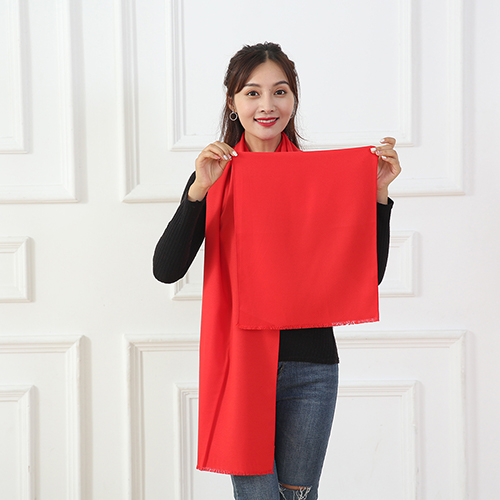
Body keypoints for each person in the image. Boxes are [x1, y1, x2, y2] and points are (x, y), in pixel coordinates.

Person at [153, 42, 401, 500]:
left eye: (279, 91)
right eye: (252, 93)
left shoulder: (320, 177)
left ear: (294, 100)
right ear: (233, 103)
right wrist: (198, 191)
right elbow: (166, 269)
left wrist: (378, 195)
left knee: (299, 497)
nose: (267, 105)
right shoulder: (214, 173)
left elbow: (368, 276)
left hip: (312, 369)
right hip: (241, 366)